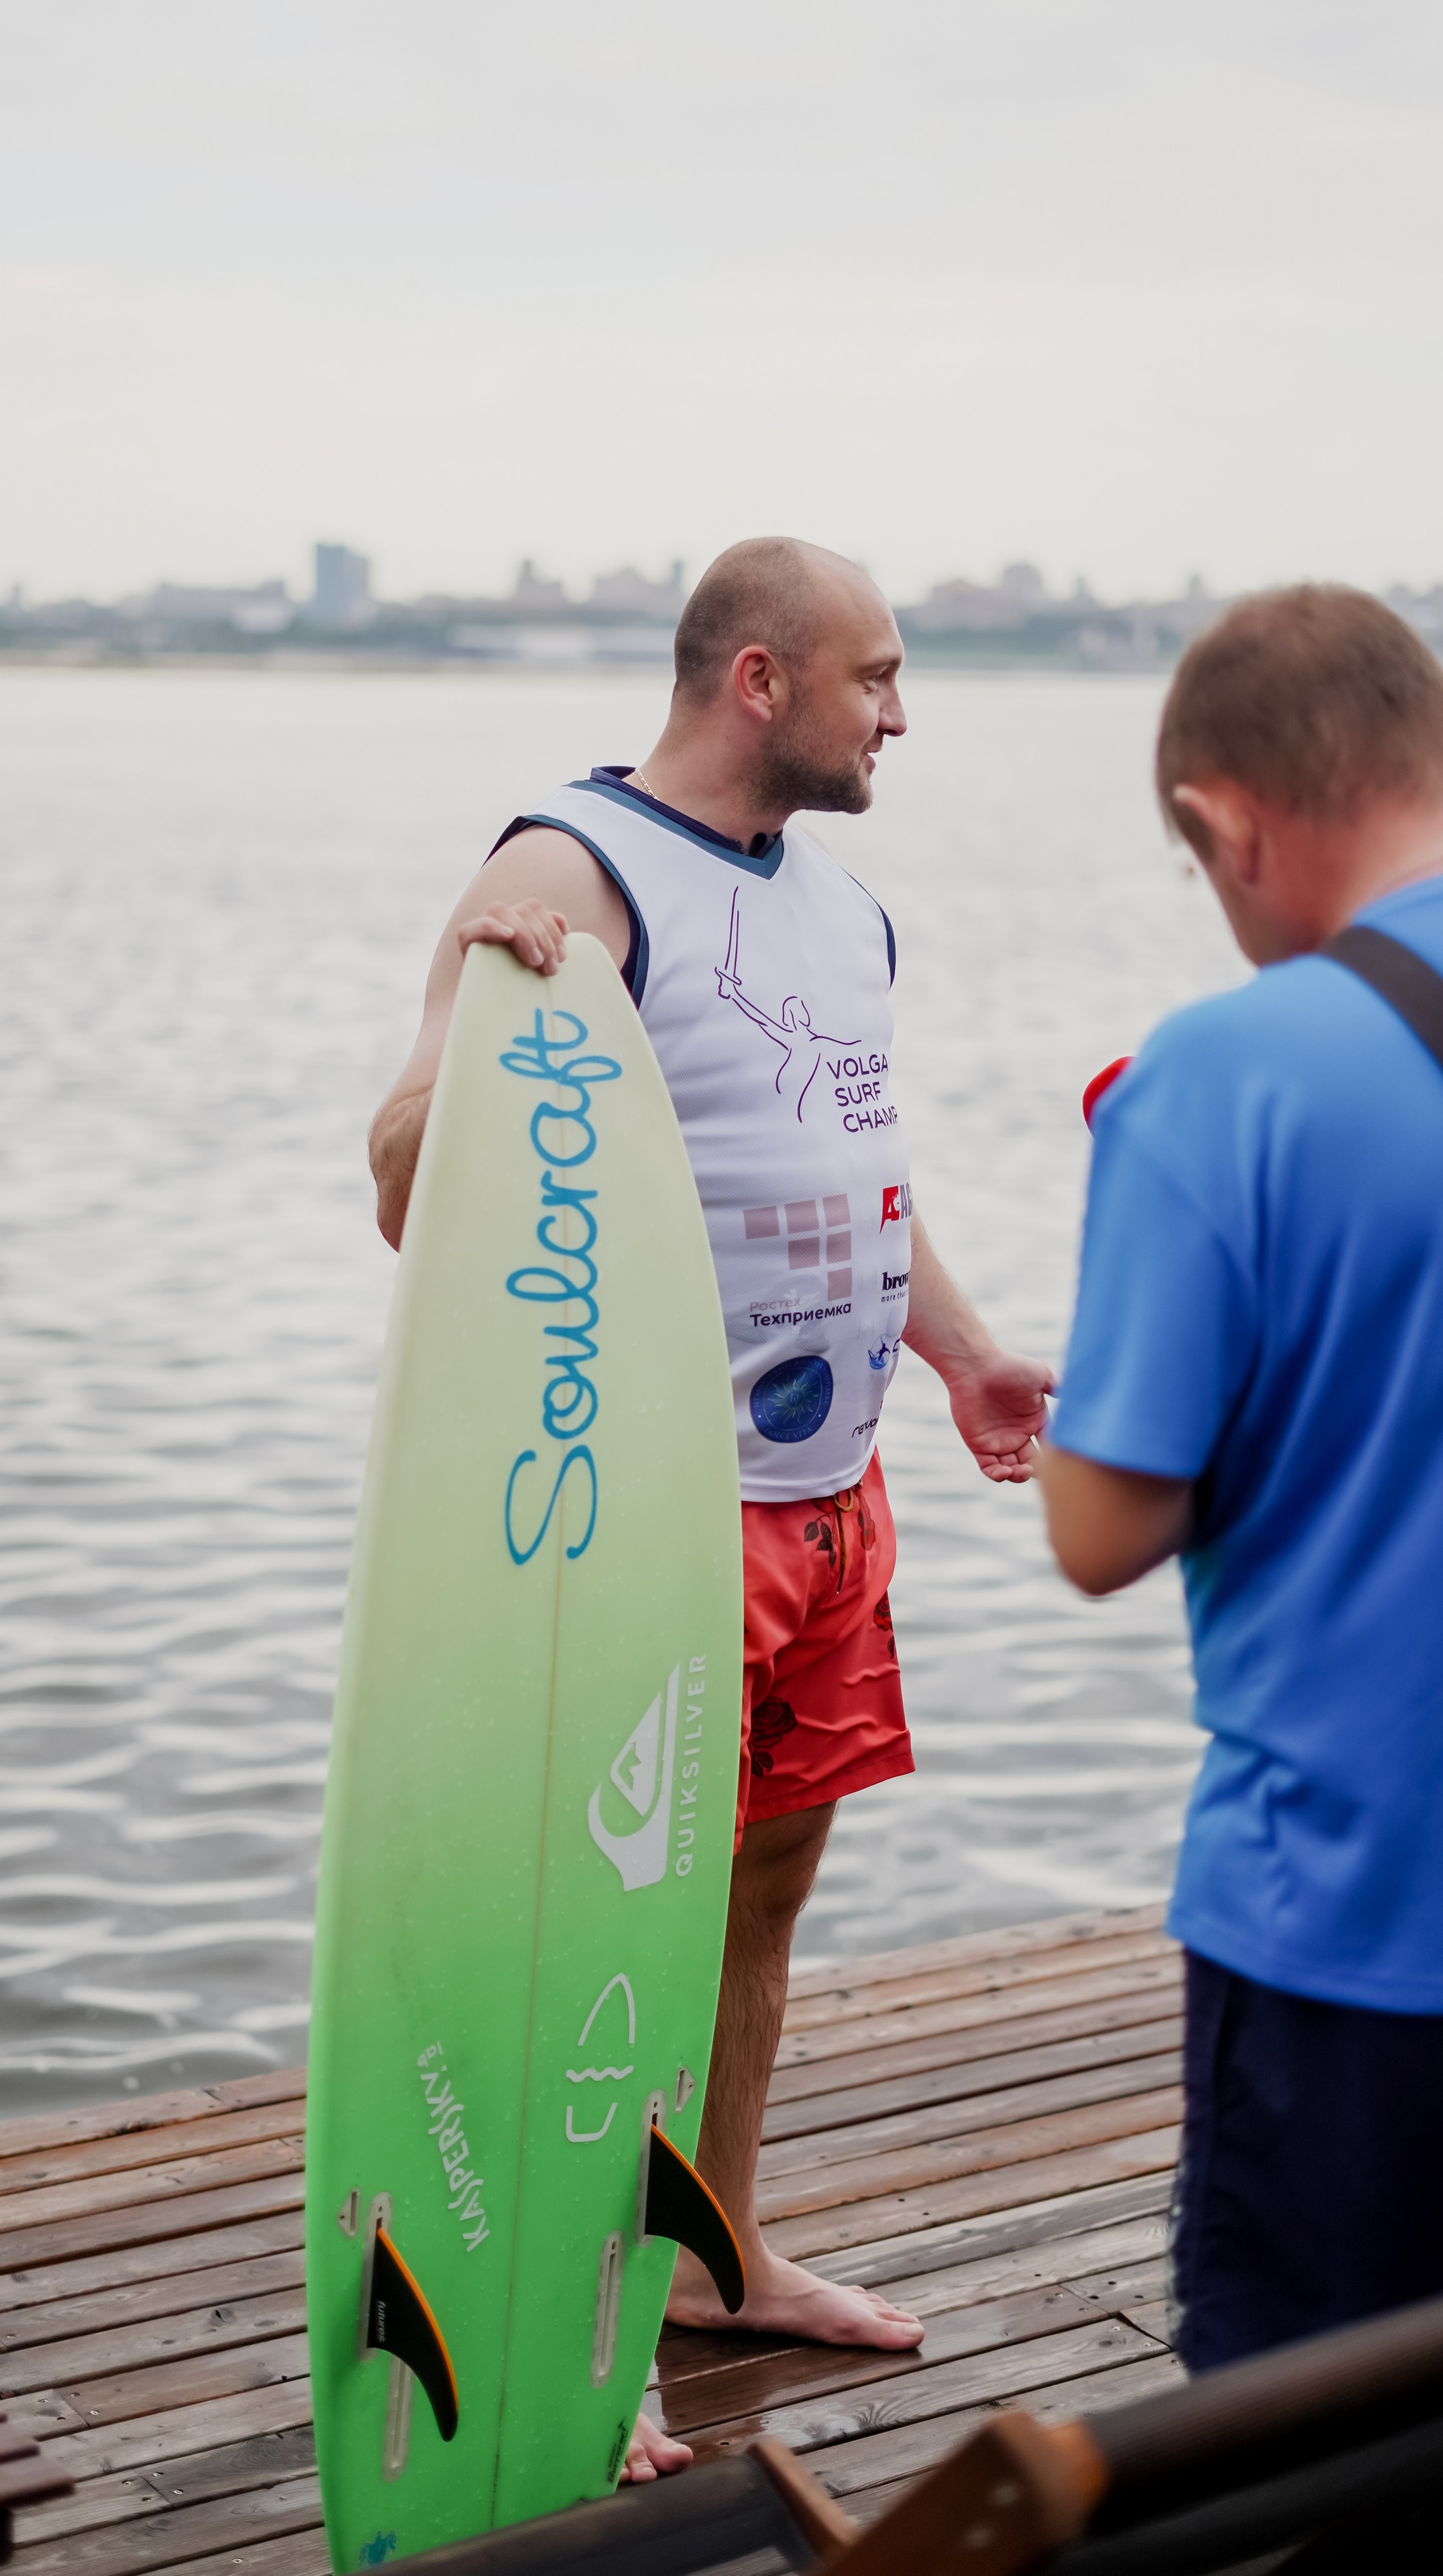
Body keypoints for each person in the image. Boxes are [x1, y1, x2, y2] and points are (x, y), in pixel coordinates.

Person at [370, 537, 1053, 2475]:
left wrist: (963, 1354)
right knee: (581, 1920)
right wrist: (497, 1030)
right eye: (876, 677)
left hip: (832, 1491)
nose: (902, 714)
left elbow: (843, 1161)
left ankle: (701, 2261)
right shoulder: (569, 871)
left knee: (764, 1885)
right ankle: (535, 2327)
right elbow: (406, 1176)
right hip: (648, 1513)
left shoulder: (847, 910)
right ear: (761, 679)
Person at [1041, 586, 1443, 2374]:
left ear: (1228, 824)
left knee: (1310, 2458)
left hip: (1351, 1936)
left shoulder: (1220, 1076)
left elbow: (1100, 1525)